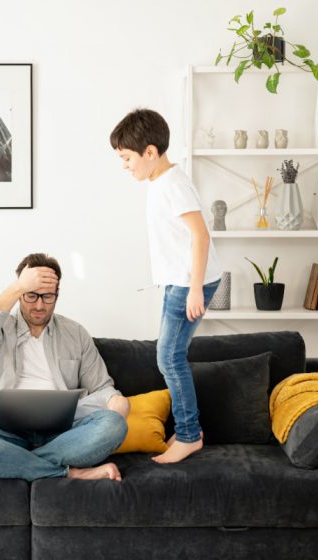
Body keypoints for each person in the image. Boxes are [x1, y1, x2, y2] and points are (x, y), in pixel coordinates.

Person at [0, 253, 130, 482]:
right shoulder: (0, 327)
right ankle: (69, 472)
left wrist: (115, 401)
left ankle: (9, 463)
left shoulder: (75, 333)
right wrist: (18, 286)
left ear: (57, 295)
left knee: (114, 424)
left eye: (47, 297)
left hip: (62, 436)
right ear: (19, 294)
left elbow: (100, 386)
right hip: (5, 436)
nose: (39, 305)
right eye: (31, 295)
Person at [110, 108, 222, 464]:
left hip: (190, 282)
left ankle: (189, 436)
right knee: (170, 355)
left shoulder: (174, 183)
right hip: (179, 280)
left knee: (169, 357)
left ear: (150, 152)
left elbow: (201, 236)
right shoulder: (158, 180)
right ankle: (190, 431)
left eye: (127, 158)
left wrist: (194, 288)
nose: (125, 166)